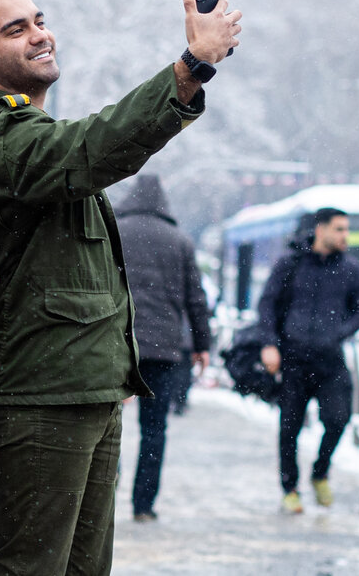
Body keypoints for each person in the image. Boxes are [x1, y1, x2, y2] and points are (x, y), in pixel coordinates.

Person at [0, 0, 240, 575]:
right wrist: (188, 69)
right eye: (16, 29)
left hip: (85, 390)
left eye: (39, 19)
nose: (40, 35)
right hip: (44, 396)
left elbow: (89, 151)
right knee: (33, 569)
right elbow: (95, 146)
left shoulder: (34, 135)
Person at [257, 207, 359, 514]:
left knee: (338, 418)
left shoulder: (351, 269)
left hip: (330, 359)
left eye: (347, 229)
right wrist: (269, 344)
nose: (345, 236)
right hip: (293, 358)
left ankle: (320, 472)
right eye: (339, 229)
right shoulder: (291, 264)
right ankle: (290, 488)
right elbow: (267, 304)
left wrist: (338, 331)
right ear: (320, 230)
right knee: (289, 428)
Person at [114, 173, 211, 522]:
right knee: (155, 430)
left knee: (109, 422)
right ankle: (143, 504)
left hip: (118, 343)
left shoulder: (115, 231)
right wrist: (202, 344)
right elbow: (195, 299)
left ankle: (107, 486)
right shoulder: (180, 240)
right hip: (164, 348)